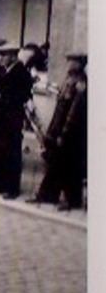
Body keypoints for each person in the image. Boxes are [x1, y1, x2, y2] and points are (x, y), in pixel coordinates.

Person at [32, 53, 87, 211]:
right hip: (58, 128)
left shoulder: (80, 82)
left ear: (79, 64)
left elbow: (74, 111)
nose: (68, 63)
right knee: (56, 163)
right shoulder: (69, 79)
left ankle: (72, 199)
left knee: (69, 166)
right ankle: (48, 194)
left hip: (70, 132)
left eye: (72, 61)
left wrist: (64, 133)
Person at [0, 43, 34, 199]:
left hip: (11, 119)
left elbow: (22, 96)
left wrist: (0, 97)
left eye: (3, 55)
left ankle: (12, 188)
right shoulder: (1, 71)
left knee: (11, 153)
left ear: (12, 55)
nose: (0, 59)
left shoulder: (21, 72)